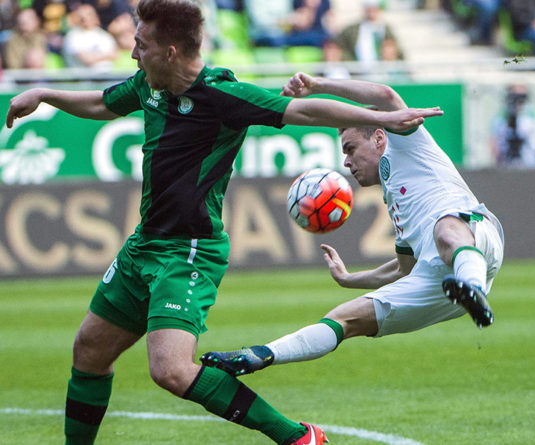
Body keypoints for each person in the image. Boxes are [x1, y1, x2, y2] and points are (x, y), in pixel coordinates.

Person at [4, 0, 442, 444]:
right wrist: (45, 95)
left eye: (141, 45)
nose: (134, 54)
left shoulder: (222, 94)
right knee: (90, 350)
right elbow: (102, 104)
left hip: (189, 250)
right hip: (145, 245)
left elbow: (304, 113)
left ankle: (297, 437)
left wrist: (381, 118)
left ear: (170, 50)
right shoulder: (150, 85)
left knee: (171, 371)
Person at [201, 72, 504, 384]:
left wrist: (318, 86)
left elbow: (386, 95)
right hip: (441, 279)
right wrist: (349, 279)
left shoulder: (407, 146)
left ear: (379, 137)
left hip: (475, 239)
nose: (346, 162)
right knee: (343, 318)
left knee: (445, 229)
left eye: (350, 149)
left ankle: (473, 289)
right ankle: (259, 355)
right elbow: (403, 270)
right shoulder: (396, 204)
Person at [490, 83, 535, 169]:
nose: (517, 101)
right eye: (514, 96)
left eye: (521, 97)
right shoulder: (500, 120)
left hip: (533, 168)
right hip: (507, 168)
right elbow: (495, 149)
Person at [61, 3, 118, 69]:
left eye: (89, 15)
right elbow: (87, 60)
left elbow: (114, 55)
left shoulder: (103, 35)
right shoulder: (73, 36)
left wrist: (93, 57)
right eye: (82, 17)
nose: (86, 19)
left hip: (108, 75)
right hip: (82, 77)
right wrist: (106, 56)